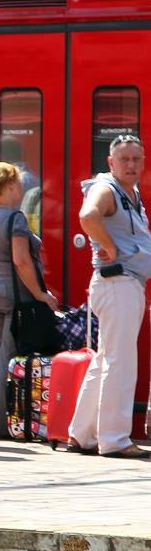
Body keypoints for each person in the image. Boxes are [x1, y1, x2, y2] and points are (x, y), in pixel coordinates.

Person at [69, 134, 151, 459]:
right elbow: (88, 216)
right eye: (125, 159)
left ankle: (82, 434)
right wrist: (112, 248)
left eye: (137, 159)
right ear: (111, 162)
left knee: (105, 359)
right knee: (120, 361)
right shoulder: (107, 189)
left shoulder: (131, 193)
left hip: (119, 285)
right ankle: (115, 440)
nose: (131, 165)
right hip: (118, 283)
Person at [0, 161, 61, 432]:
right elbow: (21, 260)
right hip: (15, 297)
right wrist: (40, 294)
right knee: (10, 358)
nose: (21, 189)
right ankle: (5, 425)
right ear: (10, 185)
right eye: (19, 184)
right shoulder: (15, 218)